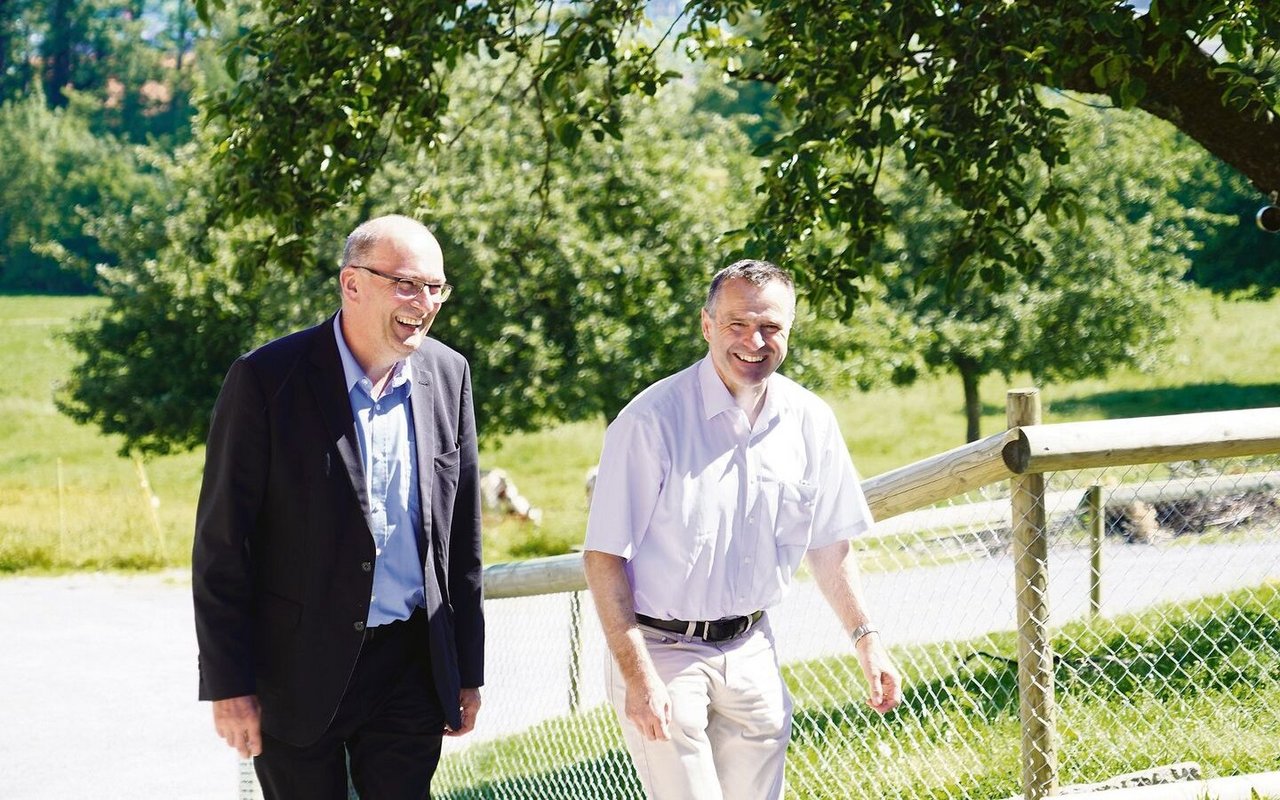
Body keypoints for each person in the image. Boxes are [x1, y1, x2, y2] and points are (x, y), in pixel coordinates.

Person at [583, 259, 901, 800]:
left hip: (752, 646)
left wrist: (867, 642)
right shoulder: (649, 423)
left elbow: (829, 543)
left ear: (790, 331)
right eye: (737, 324)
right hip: (662, 649)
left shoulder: (810, 420)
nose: (754, 340)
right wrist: (638, 677)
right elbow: (604, 557)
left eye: (771, 327)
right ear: (707, 326)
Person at [192, 215, 484, 799]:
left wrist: (466, 670)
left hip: (411, 665)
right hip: (295, 670)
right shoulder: (266, 379)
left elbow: (461, 538)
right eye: (406, 284)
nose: (423, 302)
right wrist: (229, 684)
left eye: (435, 288)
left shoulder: (449, 375)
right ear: (352, 284)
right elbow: (223, 545)